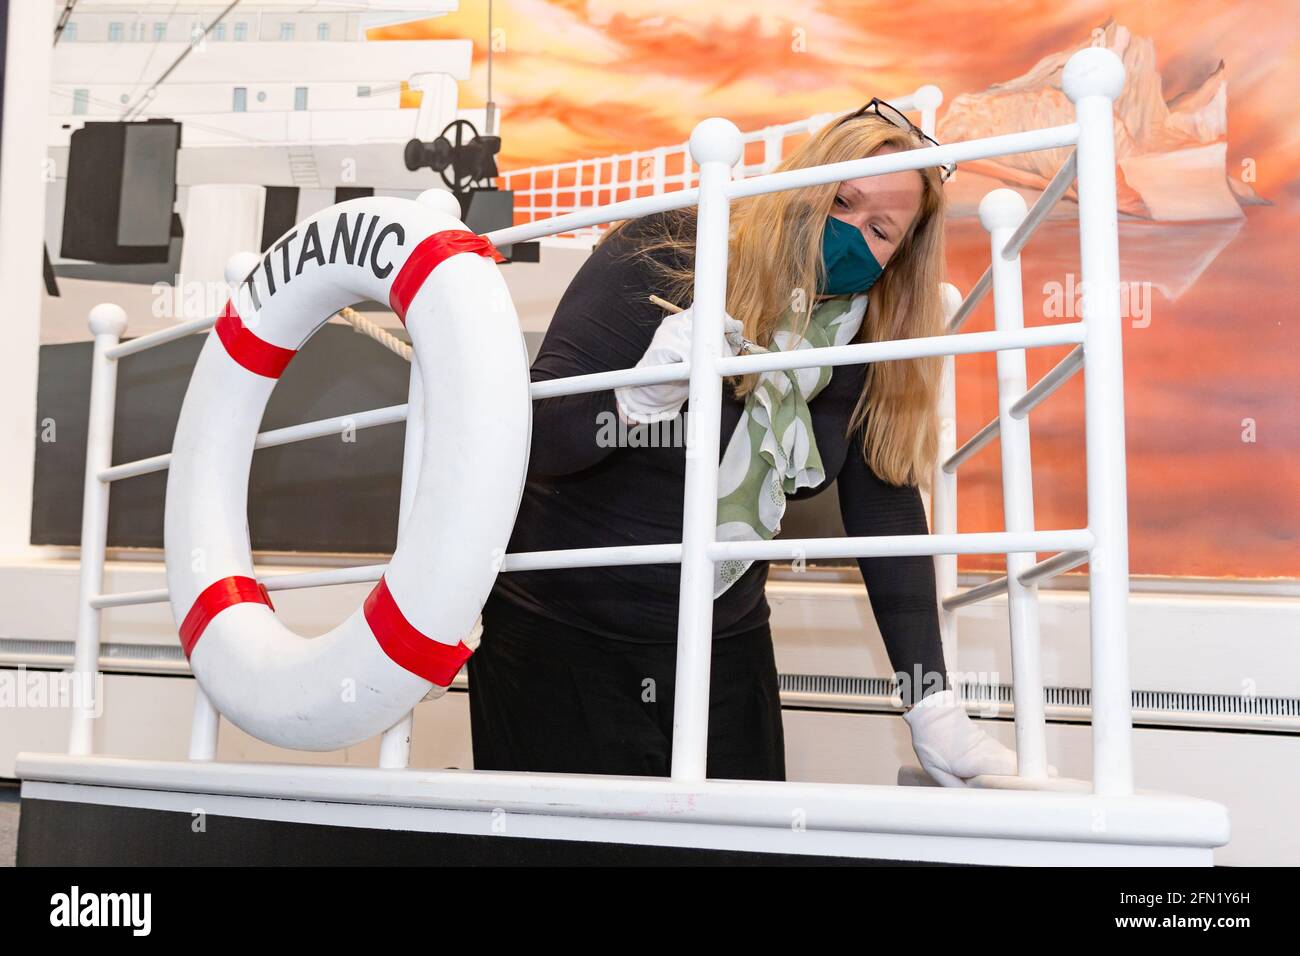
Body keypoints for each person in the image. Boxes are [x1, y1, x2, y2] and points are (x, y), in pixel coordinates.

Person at [468, 100, 1027, 786]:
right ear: (803, 181)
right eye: (841, 199)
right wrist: (632, 397)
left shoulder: (863, 338)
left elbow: (885, 507)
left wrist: (931, 701)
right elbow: (536, 441)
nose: (850, 232)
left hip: (723, 638)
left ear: (897, 258)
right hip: (562, 636)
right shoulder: (671, 250)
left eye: (880, 229)